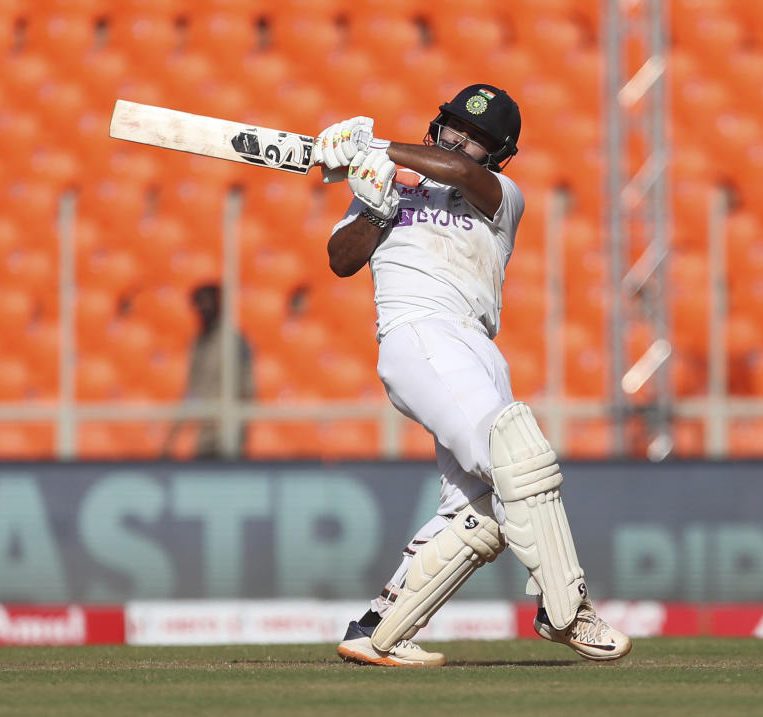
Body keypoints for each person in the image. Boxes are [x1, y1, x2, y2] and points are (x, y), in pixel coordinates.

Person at [312, 84, 632, 667]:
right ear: (438, 123)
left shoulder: (502, 196)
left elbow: (461, 171)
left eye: (479, 136)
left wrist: (376, 147)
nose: (461, 138)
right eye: (455, 124)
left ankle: (378, 631)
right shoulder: (385, 185)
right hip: (418, 333)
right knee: (517, 456)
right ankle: (566, 609)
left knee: (481, 503)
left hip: (477, 346)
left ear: (498, 153)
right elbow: (340, 261)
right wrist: (377, 206)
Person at [163, 282, 254, 458]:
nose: (203, 309)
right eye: (199, 304)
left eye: (207, 303)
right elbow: (192, 392)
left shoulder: (234, 341)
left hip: (227, 434)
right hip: (203, 434)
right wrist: (172, 437)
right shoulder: (198, 343)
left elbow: (247, 388)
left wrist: (239, 429)